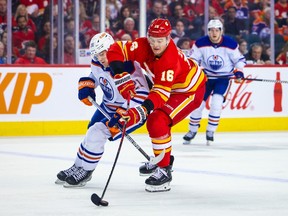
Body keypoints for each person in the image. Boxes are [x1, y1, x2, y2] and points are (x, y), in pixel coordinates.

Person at [106, 18, 206, 192]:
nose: (155, 45)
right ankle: (161, 160)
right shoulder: (143, 45)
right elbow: (115, 49)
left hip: (189, 91)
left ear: (168, 39)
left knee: (157, 120)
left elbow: (160, 94)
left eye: (160, 41)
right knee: (155, 121)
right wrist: (120, 74)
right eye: (152, 40)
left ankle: (164, 170)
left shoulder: (169, 60)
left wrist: (141, 111)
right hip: (171, 87)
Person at [55, 32, 150, 188]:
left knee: (98, 132)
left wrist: (125, 113)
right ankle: (78, 165)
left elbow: (143, 95)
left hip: (131, 110)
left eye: (103, 53)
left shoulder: (129, 66)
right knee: (90, 132)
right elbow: (95, 75)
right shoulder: (97, 62)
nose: (100, 58)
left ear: (112, 49)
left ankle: (86, 171)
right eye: (97, 54)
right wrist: (88, 85)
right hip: (108, 105)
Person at [183, 19, 246, 145]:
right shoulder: (200, 43)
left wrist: (239, 71)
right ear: (208, 31)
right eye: (211, 30)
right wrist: (197, 69)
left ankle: (210, 131)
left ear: (221, 31)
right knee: (197, 105)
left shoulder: (230, 44)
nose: (214, 33)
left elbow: (239, 60)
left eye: (217, 30)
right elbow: (192, 60)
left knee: (216, 104)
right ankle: (192, 130)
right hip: (206, 79)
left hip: (223, 79)